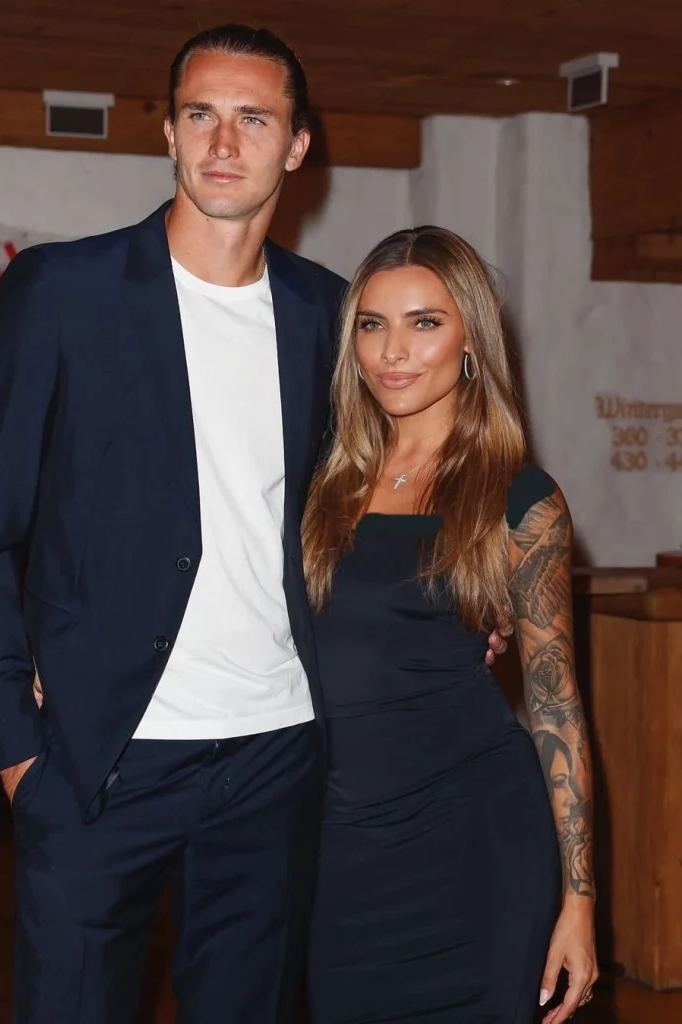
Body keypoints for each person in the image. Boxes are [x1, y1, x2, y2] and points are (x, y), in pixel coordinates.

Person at [0, 23, 508, 1024]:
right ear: (168, 131)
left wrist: (468, 589)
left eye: (254, 119)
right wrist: (21, 757)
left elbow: (388, 487)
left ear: (297, 145)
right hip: (98, 759)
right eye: (200, 115)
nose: (224, 142)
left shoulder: (329, 315)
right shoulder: (63, 293)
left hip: (278, 757)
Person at [303, 227, 599, 1024]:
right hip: (342, 851)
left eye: (425, 322)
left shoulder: (518, 497)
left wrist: (578, 904)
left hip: (475, 842)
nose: (393, 352)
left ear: (471, 340)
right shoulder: (321, 484)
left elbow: (556, 706)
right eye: (372, 325)